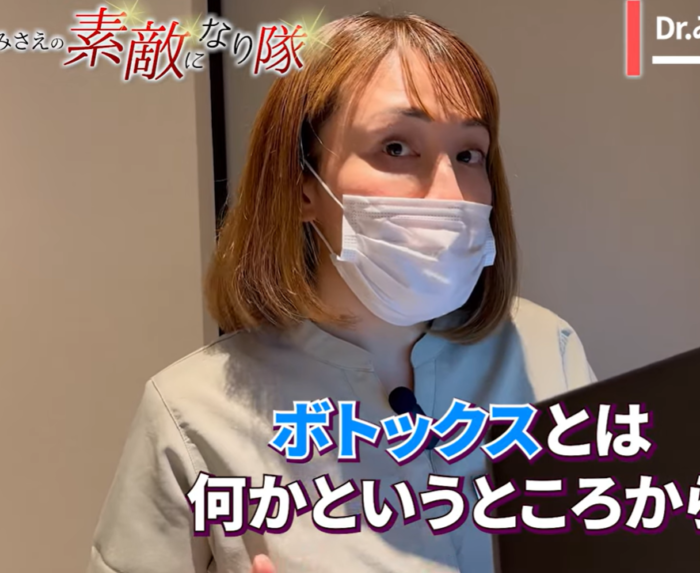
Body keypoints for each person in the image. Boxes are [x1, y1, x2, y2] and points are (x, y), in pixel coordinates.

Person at [87, 12, 596, 573]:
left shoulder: (547, 352)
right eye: (397, 147)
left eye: (468, 154)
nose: (451, 192)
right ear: (303, 186)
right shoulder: (192, 412)